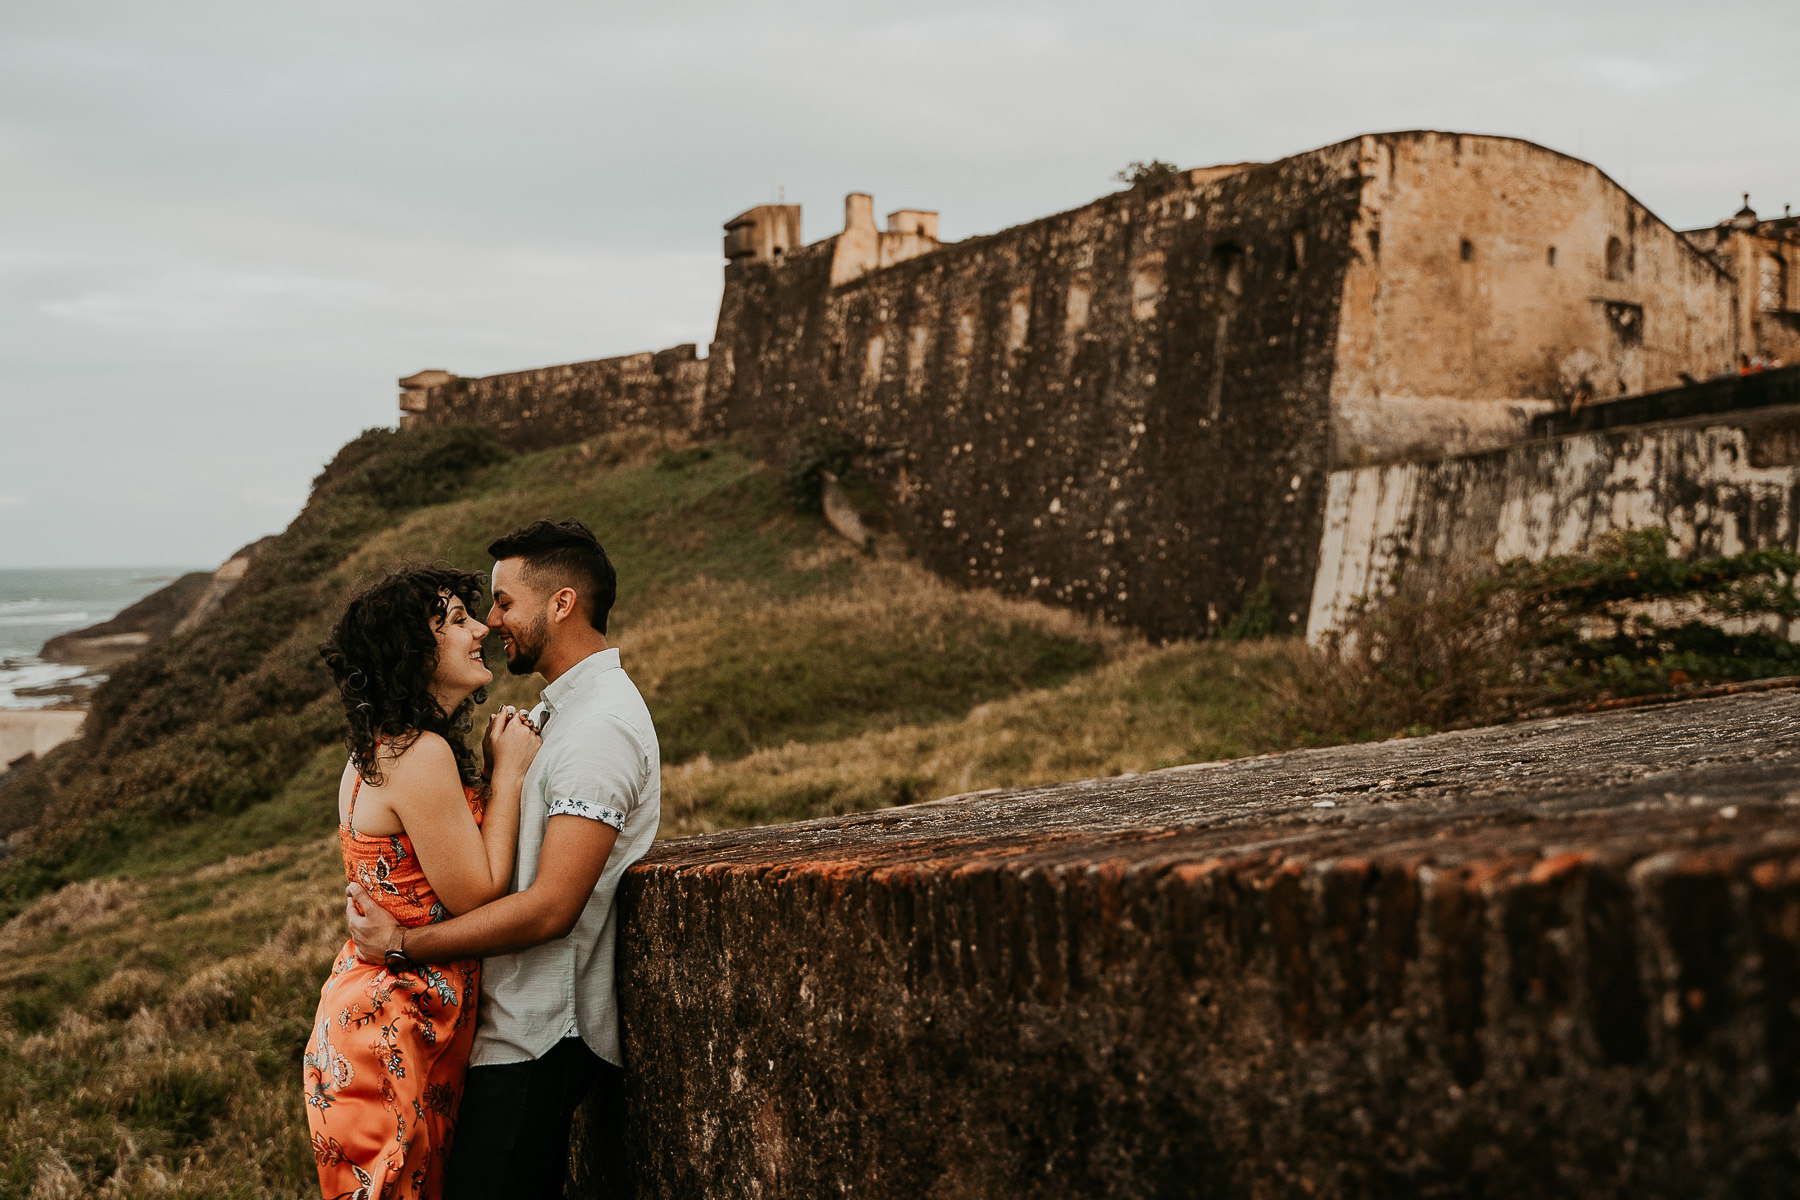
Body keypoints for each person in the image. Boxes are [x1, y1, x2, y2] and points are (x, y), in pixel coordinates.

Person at [345, 518, 662, 1199]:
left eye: (504, 602)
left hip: (539, 1038)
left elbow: (551, 907)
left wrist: (404, 942)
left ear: (562, 604)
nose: (491, 623)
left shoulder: (599, 727)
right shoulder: (561, 716)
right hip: (499, 1035)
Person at [306, 565, 541, 1199]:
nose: (480, 629)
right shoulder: (418, 753)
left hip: (374, 1014)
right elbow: (478, 893)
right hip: (396, 1025)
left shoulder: (378, 750)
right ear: (414, 651)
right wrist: (510, 773)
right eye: (457, 620)